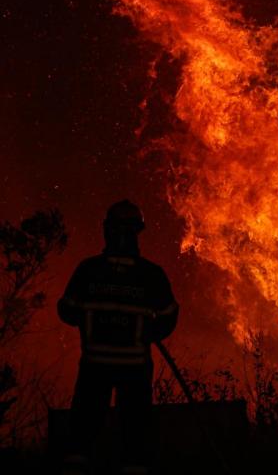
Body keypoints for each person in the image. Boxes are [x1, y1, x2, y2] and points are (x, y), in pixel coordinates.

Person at [58, 200, 178, 475]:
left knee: (83, 428)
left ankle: (77, 465)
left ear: (106, 230)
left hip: (94, 364)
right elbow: (170, 314)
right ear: (138, 232)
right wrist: (150, 333)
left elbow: (66, 310)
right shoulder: (150, 274)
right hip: (134, 367)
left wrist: (91, 321)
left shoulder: (88, 270)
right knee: (135, 431)